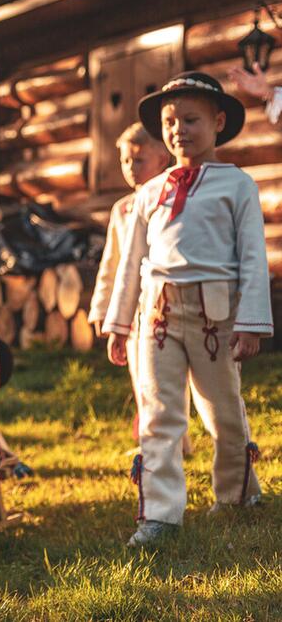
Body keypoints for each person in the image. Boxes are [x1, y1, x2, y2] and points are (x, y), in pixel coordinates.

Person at [103, 71, 272, 546]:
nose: (179, 130)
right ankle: (160, 514)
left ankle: (236, 493)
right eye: (170, 122)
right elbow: (131, 263)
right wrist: (120, 324)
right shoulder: (149, 192)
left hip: (214, 315)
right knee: (159, 412)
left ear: (218, 122)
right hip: (157, 316)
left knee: (222, 409)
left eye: (191, 119)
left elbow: (253, 257)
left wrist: (250, 323)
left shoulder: (237, 185)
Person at [88, 123, 193, 454]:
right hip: (133, 311)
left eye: (139, 160)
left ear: (162, 158)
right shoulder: (122, 209)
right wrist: (103, 309)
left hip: (168, 304)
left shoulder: (174, 199)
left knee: (171, 378)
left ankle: (178, 440)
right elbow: (113, 262)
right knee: (141, 375)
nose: (131, 168)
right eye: (125, 161)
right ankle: (154, 441)